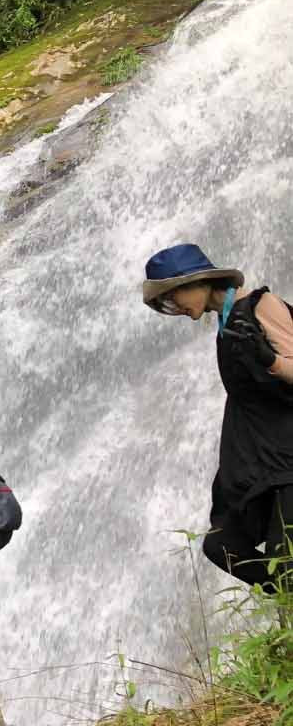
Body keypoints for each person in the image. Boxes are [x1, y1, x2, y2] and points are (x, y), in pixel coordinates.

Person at [142, 244, 293, 594]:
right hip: (259, 463)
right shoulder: (227, 323)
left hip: (286, 463)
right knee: (220, 545)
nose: (175, 305)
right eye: (167, 299)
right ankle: (285, 600)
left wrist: (270, 360)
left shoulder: (261, 305)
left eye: (174, 293)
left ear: (201, 281)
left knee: (285, 559)